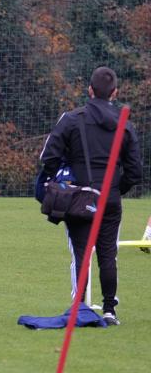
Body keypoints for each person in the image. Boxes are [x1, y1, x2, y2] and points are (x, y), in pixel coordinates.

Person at [40, 66, 142, 325]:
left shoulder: (72, 119)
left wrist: (54, 182)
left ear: (89, 90)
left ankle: (81, 308)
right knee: (108, 254)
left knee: (81, 253)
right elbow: (135, 171)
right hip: (110, 198)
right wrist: (117, 189)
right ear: (115, 93)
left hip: (79, 196)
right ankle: (109, 310)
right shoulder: (125, 124)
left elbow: (48, 157)